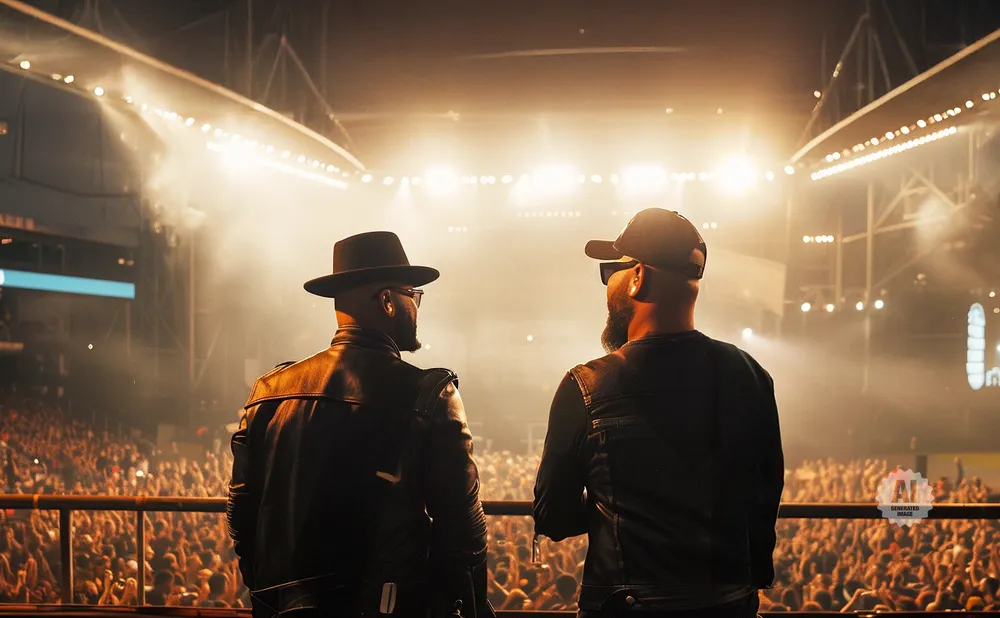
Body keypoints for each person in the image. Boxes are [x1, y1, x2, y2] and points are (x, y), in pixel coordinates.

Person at [533, 208, 784, 618]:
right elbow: (763, 494)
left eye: (611, 270)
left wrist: (613, 510)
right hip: (728, 604)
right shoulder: (750, 374)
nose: (606, 283)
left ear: (638, 277)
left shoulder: (586, 384)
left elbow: (554, 517)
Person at [228, 231, 490, 618]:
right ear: (387, 301)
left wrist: (268, 593)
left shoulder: (270, 390)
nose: (417, 307)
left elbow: (242, 512)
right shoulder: (428, 393)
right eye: (411, 295)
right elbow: (464, 534)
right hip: (387, 605)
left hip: (283, 606)